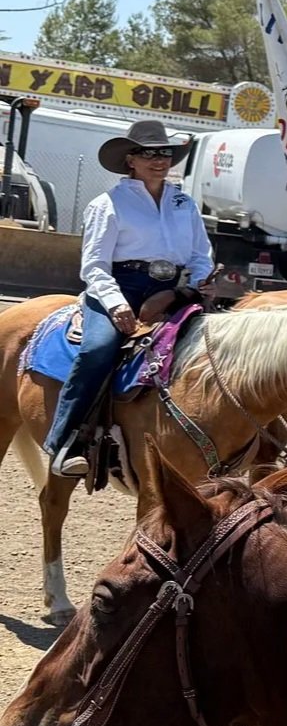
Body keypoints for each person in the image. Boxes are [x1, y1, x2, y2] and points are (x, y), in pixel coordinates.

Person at [45, 118, 215, 477]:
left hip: (177, 289)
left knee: (225, 347)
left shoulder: (185, 203)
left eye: (165, 153)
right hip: (119, 287)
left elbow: (201, 254)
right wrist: (117, 304)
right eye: (149, 153)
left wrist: (196, 284)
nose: (160, 160)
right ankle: (67, 442)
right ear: (130, 160)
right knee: (97, 350)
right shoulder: (107, 204)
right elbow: (93, 265)